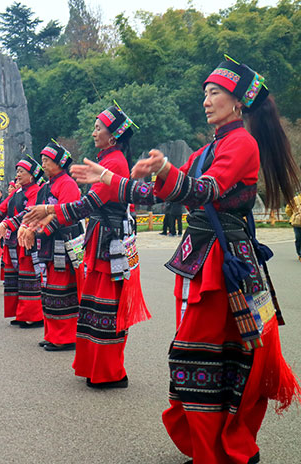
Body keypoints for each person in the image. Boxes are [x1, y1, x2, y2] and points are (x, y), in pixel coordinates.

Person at [71, 57, 301, 463]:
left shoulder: (242, 143)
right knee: (206, 353)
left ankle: (226, 447)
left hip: (224, 262)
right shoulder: (208, 148)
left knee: (212, 353)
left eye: (215, 94)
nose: (207, 102)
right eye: (205, 94)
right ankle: (213, 445)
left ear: (238, 103)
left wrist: (164, 170)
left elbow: (205, 191)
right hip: (203, 260)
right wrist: (110, 179)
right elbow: (155, 196)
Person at [25, 104, 146, 389]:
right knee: (95, 307)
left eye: (98, 128)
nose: (93, 133)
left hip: (109, 245)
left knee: (105, 308)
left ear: (113, 136)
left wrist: (49, 212)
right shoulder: (108, 160)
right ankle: (99, 368)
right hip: (100, 238)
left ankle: (109, 371)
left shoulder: (114, 163)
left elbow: (89, 205)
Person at [19, 141, 82, 351]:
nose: (43, 164)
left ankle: (66, 337)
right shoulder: (47, 187)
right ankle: (53, 334)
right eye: (43, 160)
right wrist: (27, 226)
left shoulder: (68, 184)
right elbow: (36, 212)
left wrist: (38, 230)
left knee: (62, 290)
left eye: (46, 160)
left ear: (58, 163)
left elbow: (63, 215)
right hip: (47, 244)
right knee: (48, 290)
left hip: (63, 244)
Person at [0, 157, 45, 327]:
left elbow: (29, 213)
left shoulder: (36, 191)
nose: (18, 175)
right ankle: (21, 313)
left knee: (29, 278)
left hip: (27, 240)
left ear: (32, 175)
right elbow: (0, 210)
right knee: (15, 278)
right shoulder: (17, 193)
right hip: (12, 240)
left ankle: (34, 315)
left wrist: (7, 223)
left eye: (21, 171)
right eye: (17, 171)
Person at [287, 192, 301, 262]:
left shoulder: (294, 199)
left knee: (298, 238)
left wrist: (294, 216)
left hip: (297, 222)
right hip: (298, 222)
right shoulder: (295, 199)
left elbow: (288, 211)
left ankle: (300, 253)